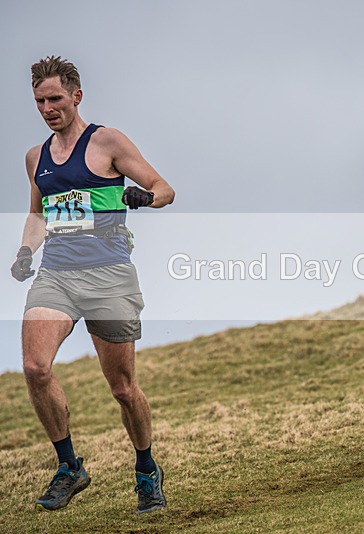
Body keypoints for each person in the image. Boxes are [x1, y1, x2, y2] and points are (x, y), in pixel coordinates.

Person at [10, 56, 175, 513]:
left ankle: (146, 469)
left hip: (108, 275)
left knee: (123, 388)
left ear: (76, 96)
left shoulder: (107, 141)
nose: (47, 108)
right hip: (57, 274)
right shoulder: (36, 158)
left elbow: (165, 188)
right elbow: (38, 214)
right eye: (39, 101)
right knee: (35, 367)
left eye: (55, 99)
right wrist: (25, 251)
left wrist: (145, 196)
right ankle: (69, 467)